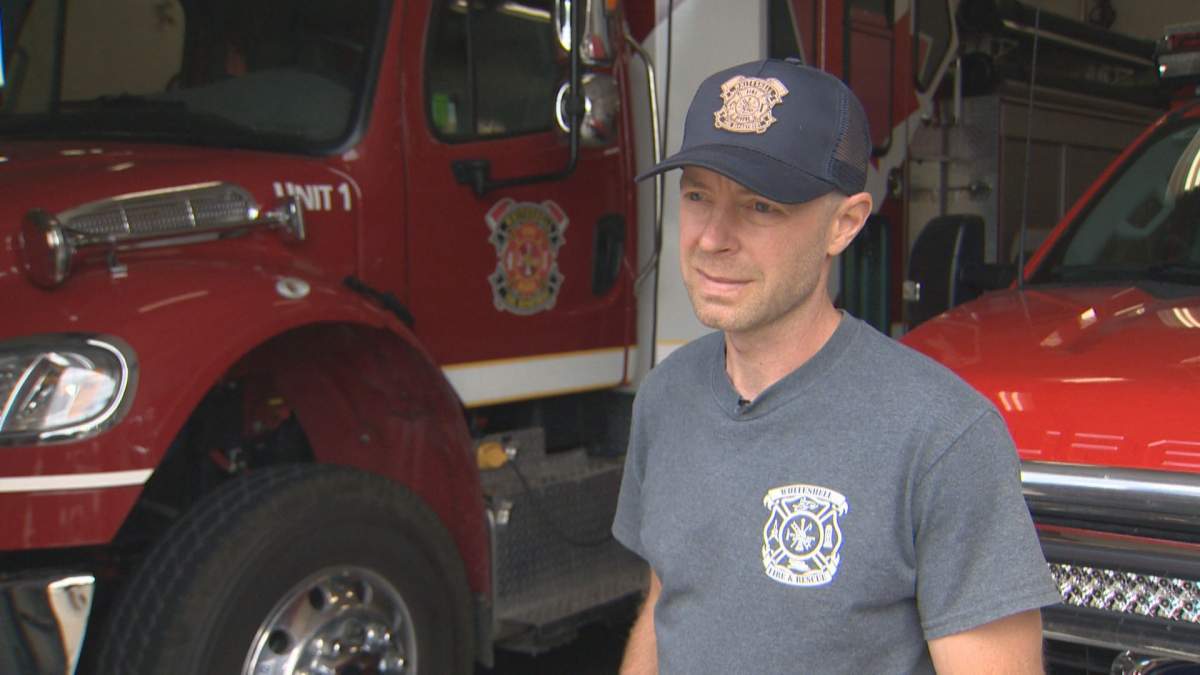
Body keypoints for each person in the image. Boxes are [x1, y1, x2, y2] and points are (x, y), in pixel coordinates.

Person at [611, 58, 1062, 674]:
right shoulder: (665, 399)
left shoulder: (942, 436)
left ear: (844, 224)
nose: (712, 237)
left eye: (760, 207)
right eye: (697, 194)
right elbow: (668, 603)